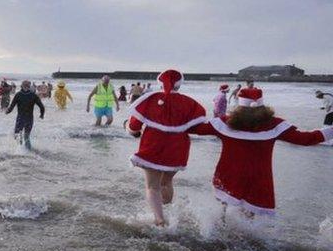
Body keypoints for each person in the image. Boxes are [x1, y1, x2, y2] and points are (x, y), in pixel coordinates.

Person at [188, 88, 333, 217]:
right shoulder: (274, 125)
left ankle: (221, 230)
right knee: (249, 214)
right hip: (258, 176)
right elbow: (306, 139)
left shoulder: (225, 123)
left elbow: (196, 129)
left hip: (229, 173)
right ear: (262, 105)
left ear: (240, 105)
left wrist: (172, 116)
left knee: (224, 206)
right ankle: (247, 238)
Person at [125, 70, 207, 226]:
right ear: (179, 84)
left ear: (159, 83)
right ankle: (168, 211)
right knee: (166, 181)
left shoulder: (150, 99)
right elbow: (198, 127)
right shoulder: (189, 103)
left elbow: (134, 126)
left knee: (152, 187)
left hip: (153, 146)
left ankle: (159, 218)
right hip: (177, 148)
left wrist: (130, 130)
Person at [6, 80, 45, 150]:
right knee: (26, 136)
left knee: (17, 135)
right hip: (29, 118)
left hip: (21, 118)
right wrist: (42, 115)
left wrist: (8, 111)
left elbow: (12, 106)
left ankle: (20, 150)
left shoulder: (18, 94)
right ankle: (28, 151)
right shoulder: (34, 95)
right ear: (29, 86)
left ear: (22, 86)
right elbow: (42, 107)